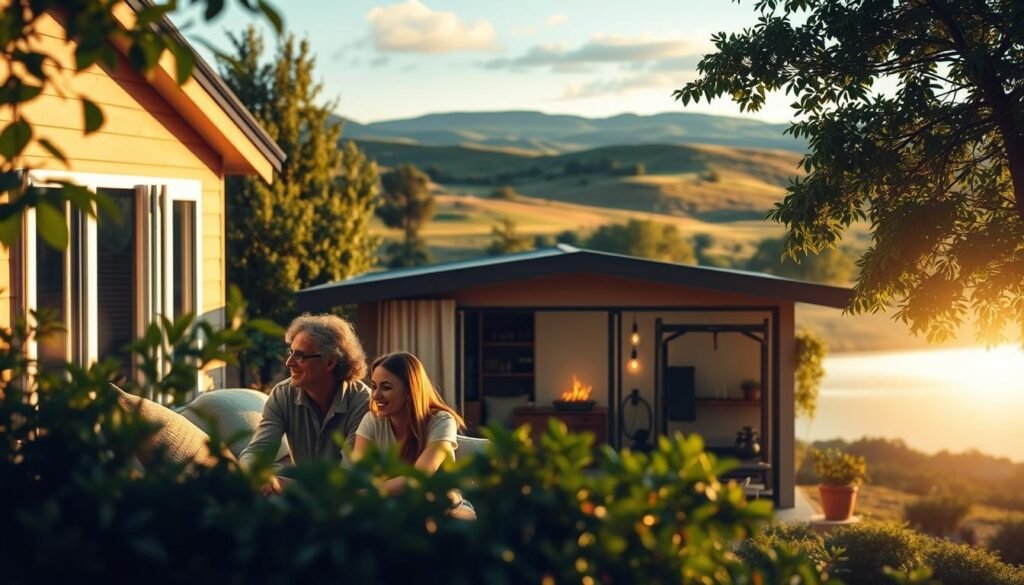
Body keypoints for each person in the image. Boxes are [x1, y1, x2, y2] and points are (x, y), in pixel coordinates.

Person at [239, 313, 371, 495]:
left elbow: (348, 478)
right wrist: (258, 475)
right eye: (290, 352)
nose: (289, 362)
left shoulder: (363, 403)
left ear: (330, 362)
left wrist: (285, 485)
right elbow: (256, 452)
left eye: (300, 356)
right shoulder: (283, 394)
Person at [352, 351, 475, 520]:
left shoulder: (442, 421)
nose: (375, 395)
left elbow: (420, 477)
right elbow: (359, 474)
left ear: (410, 390)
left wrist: (368, 493)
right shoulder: (371, 420)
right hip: (391, 508)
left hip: (445, 509)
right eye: (374, 386)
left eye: (386, 387)